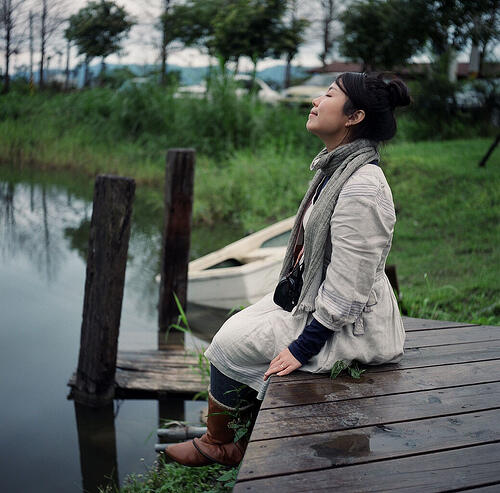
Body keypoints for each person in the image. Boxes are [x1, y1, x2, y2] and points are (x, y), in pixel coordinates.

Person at [164, 72, 410, 467]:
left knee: (231, 341)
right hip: (322, 302)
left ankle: (220, 443)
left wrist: (304, 345)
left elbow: (349, 288)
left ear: (354, 116)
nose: (316, 100)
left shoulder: (363, 187)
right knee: (238, 325)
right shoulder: (337, 169)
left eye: (330, 94)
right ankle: (229, 432)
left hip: (352, 326)